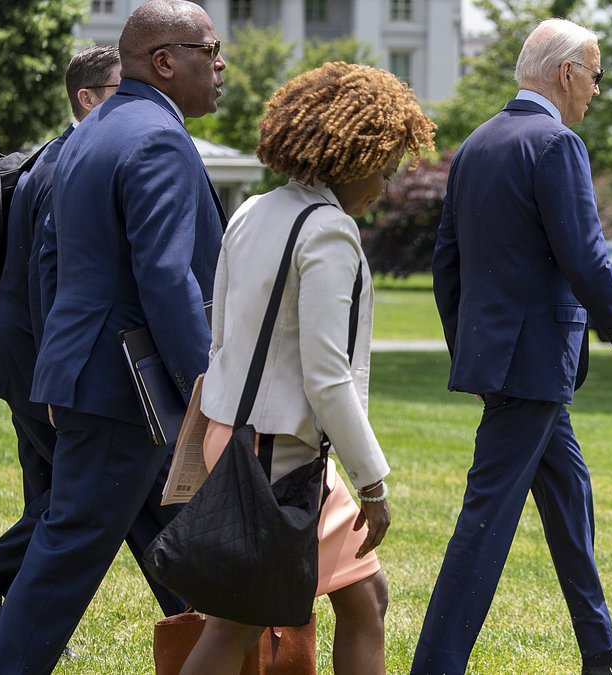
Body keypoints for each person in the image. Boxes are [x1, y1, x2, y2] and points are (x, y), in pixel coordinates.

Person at [0, 2, 226, 671]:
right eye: (211, 48)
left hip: (93, 380)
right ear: (166, 61)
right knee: (62, 563)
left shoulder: (91, 131)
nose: (221, 63)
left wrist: (58, 372)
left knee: (157, 547)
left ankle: (224, 654)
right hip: (128, 394)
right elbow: (169, 278)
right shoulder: (159, 138)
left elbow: (49, 265)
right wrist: (210, 389)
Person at [415, 18, 612, 675]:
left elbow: (447, 264)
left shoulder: (476, 144)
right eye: (595, 74)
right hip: (531, 365)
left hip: (510, 364)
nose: (595, 88)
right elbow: (585, 259)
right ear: (566, 73)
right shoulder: (557, 145)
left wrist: (470, 351)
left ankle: (600, 650)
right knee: (484, 523)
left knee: (568, 490)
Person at [181, 61, 435, 675]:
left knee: (365, 595)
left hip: (246, 438)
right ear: (350, 156)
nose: (387, 179)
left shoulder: (253, 211)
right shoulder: (329, 233)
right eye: (385, 163)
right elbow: (328, 376)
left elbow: (222, 335)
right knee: (235, 624)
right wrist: (373, 483)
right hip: (277, 455)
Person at [0, 46, 125, 644]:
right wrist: (58, 376)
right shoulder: (71, 160)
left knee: (51, 494)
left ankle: (17, 617)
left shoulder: (53, 155)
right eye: (124, 90)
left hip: (15, 352)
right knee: (84, 498)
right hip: (35, 357)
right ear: (87, 98)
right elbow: (54, 279)